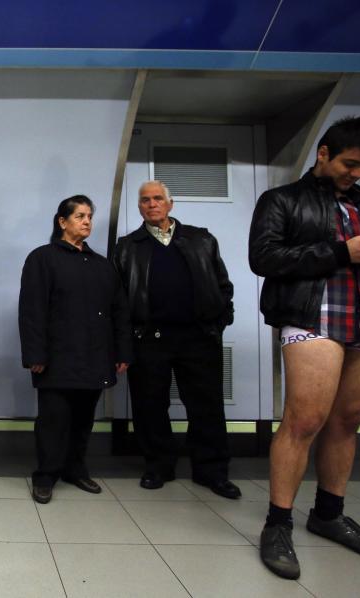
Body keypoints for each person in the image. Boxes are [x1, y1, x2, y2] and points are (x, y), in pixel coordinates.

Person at [249, 116, 360, 580]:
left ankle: (329, 514)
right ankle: (278, 524)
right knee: (305, 421)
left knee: (347, 422)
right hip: (313, 317)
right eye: (350, 163)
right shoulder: (282, 200)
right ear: (323, 153)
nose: (358, 173)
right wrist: (341, 252)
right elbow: (264, 258)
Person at [112, 181, 240, 499]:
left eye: (158, 199)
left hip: (198, 338)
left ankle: (212, 471)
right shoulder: (127, 247)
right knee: (150, 407)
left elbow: (223, 285)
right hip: (148, 339)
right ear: (139, 207)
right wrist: (124, 341)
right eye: (145, 200)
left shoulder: (201, 240)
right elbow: (118, 299)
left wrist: (218, 322)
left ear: (171, 204)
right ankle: (159, 467)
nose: (152, 204)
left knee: (207, 406)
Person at [19, 195, 131, 504]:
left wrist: (122, 353)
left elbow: (119, 311)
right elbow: (32, 311)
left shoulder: (102, 266)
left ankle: (75, 469)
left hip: (95, 356)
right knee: (53, 420)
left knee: (84, 421)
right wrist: (35, 355)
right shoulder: (42, 258)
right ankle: (45, 475)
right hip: (55, 358)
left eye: (89, 216)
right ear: (62, 221)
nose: (86, 221)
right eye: (80, 215)